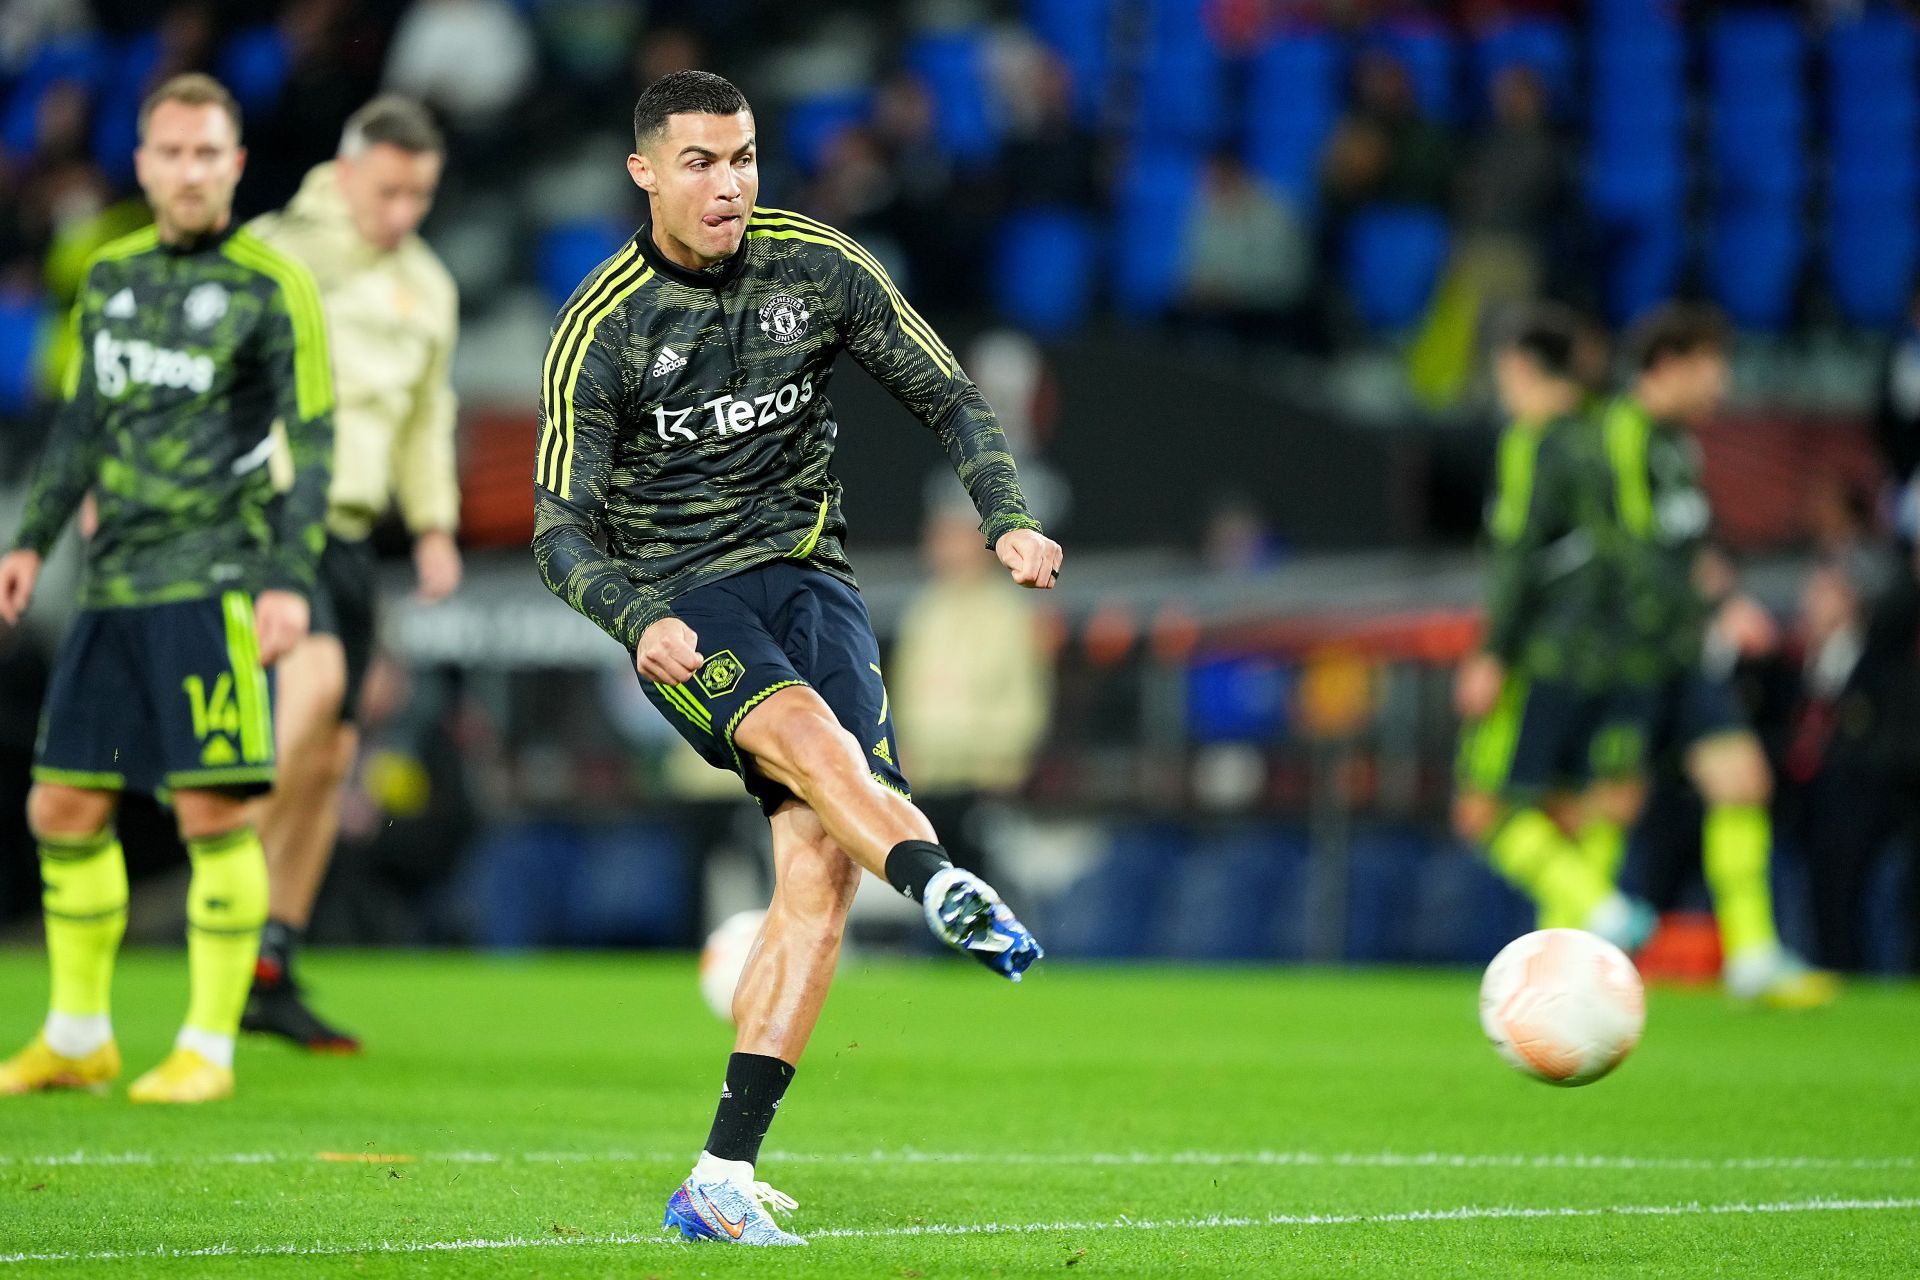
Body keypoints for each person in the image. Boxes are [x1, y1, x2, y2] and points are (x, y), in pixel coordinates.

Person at [530, 70, 1061, 1247]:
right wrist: (631, 616)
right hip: (682, 597)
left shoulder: (818, 265)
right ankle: (934, 877)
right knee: (816, 749)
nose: (729, 185)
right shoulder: (603, 325)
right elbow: (555, 523)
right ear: (645, 173)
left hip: (813, 576)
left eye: (745, 157)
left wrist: (1004, 514)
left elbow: (950, 391)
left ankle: (720, 1174)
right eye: (702, 163)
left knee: (818, 857)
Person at [0, 73, 334, 1102]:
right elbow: (82, 426)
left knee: (210, 812)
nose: (188, 171)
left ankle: (209, 1045)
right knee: (60, 804)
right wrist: (31, 540)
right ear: (142, 163)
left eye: (207, 154)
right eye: (170, 153)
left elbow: (312, 443)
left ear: (235, 165)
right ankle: (78, 1032)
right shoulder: (105, 277)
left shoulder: (271, 287)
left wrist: (287, 580)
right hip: (112, 587)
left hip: (217, 582)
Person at [243, 94, 461, 1052]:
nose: (404, 211)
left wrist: (436, 527)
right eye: (390, 190)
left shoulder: (429, 285)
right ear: (345, 171)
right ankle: (220, 898)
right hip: (265, 519)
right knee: (316, 690)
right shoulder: (280, 248)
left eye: (421, 194)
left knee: (332, 760)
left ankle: (267, 964)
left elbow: (427, 421)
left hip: (352, 536)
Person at [1594, 303, 1837, 1008]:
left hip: (1678, 654)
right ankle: (1576, 946)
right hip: (1626, 656)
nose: (1721, 386)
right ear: (1667, 365)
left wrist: (1717, 589)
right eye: (1710, 368)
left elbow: (1685, 549)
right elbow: (1630, 553)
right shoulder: (1620, 435)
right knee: (1611, 802)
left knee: (1742, 782)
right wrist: (1718, 605)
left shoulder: (1677, 446)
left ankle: (1754, 956)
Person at [1453, 306, 1651, 949]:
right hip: (1613, 655)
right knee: (1576, 807)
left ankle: (1600, 911)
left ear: (1520, 367)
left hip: (1544, 653)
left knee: (1483, 810)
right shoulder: (1610, 439)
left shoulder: (1532, 442)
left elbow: (1519, 554)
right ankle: (1573, 961)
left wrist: (1491, 652)